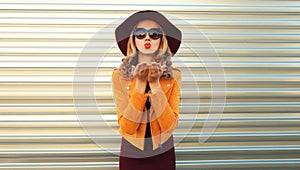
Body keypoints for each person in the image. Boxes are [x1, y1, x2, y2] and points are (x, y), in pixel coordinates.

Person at [112, 10, 182, 170]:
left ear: (161, 40)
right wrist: (140, 85)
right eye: (140, 33)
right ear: (133, 39)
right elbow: (127, 127)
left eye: (154, 34)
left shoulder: (174, 76)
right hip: (131, 152)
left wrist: (155, 85)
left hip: (164, 151)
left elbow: (169, 126)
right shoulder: (119, 76)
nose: (147, 38)